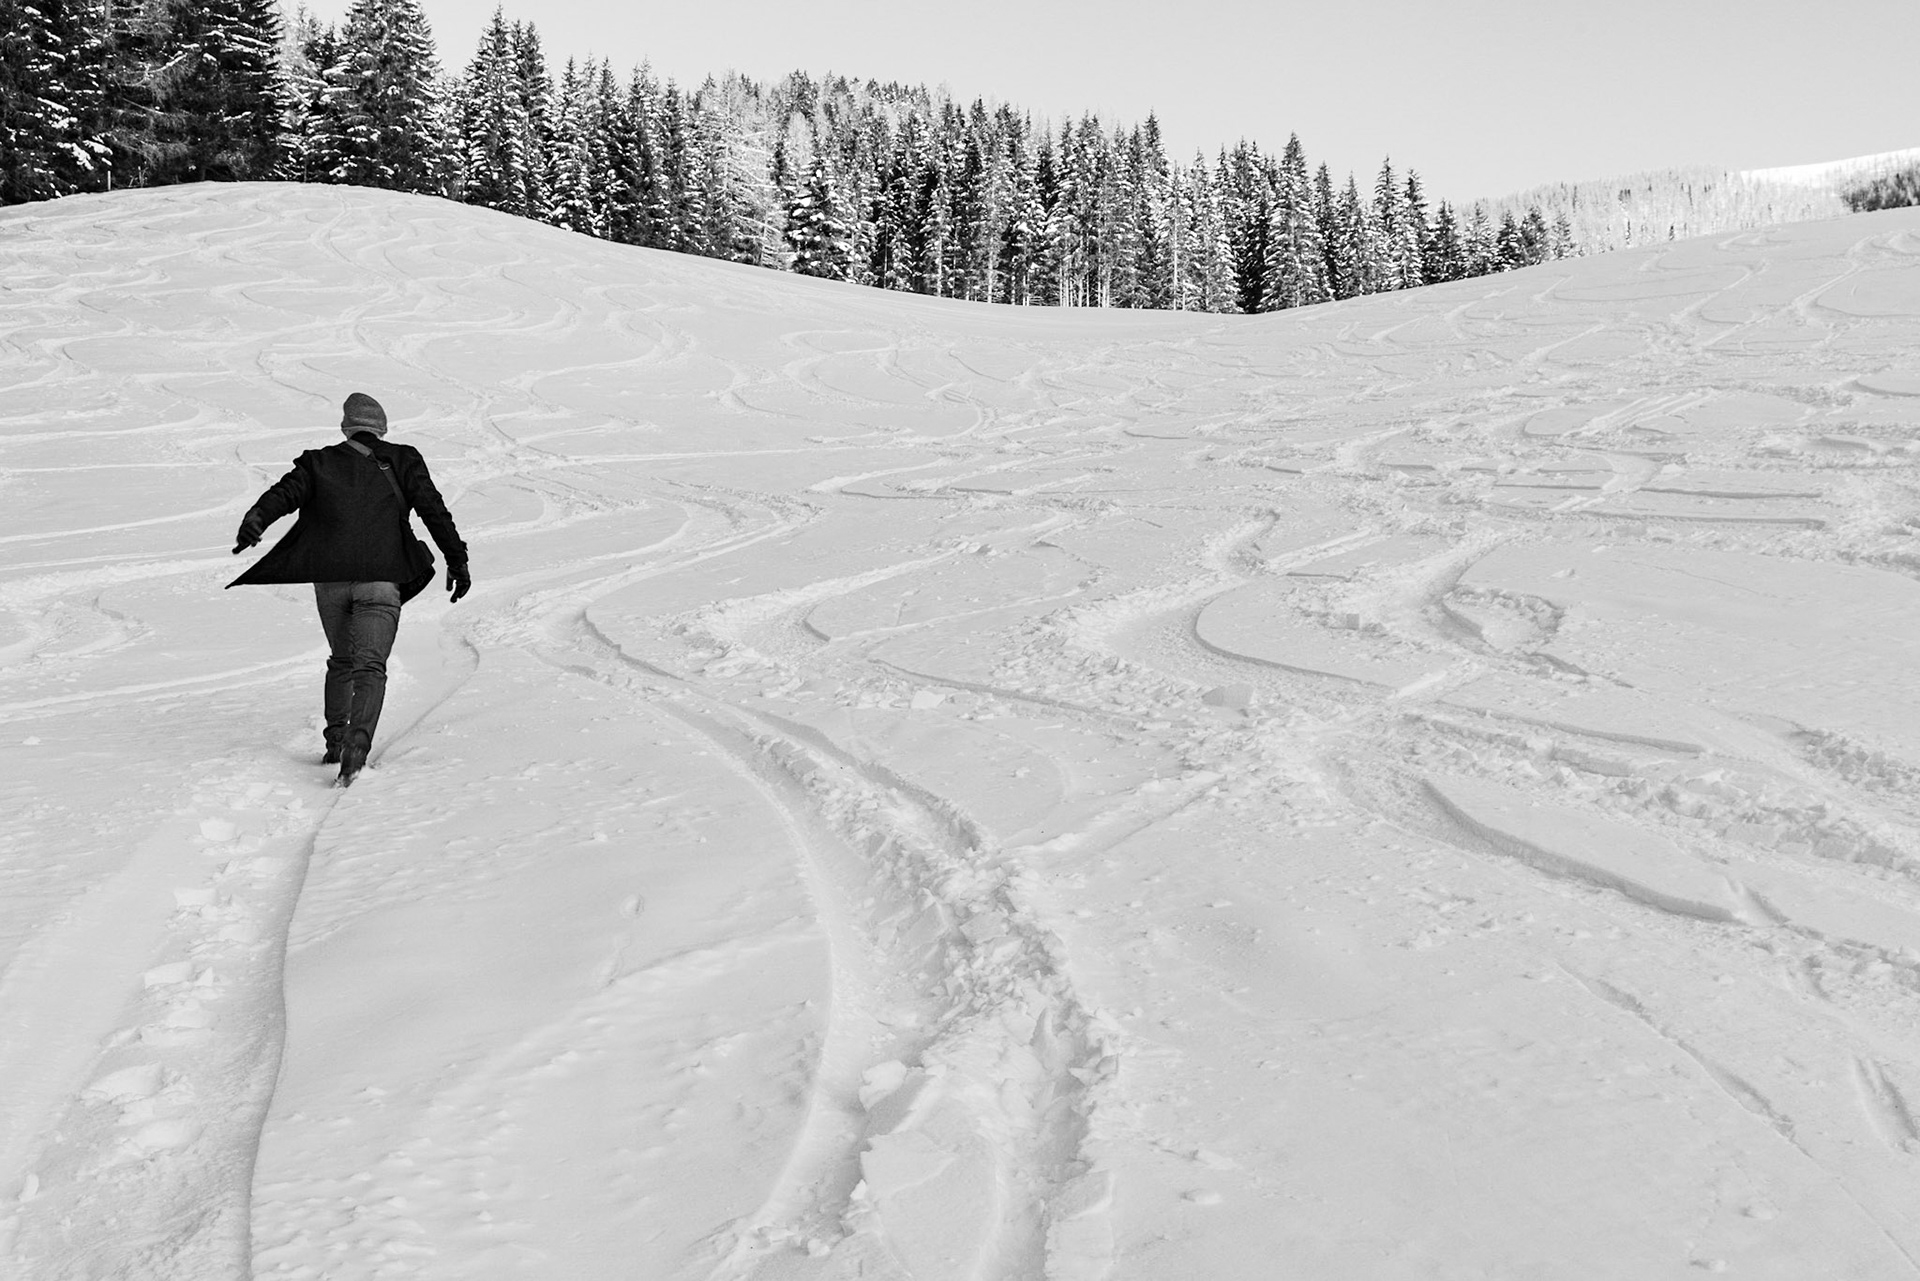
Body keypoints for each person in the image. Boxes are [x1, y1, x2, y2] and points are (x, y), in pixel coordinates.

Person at [228, 392, 470, 785]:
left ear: (346, 428)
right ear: (383, 428)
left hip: (331, 582)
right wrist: (456, 560)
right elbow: (433, 510)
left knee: (342, 660)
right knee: (370, 666)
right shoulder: (404, 459)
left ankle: (336, 741)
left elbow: (283, 495)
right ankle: (356, 751)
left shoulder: (318, 463)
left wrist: (257, 519)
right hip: (381, 579)